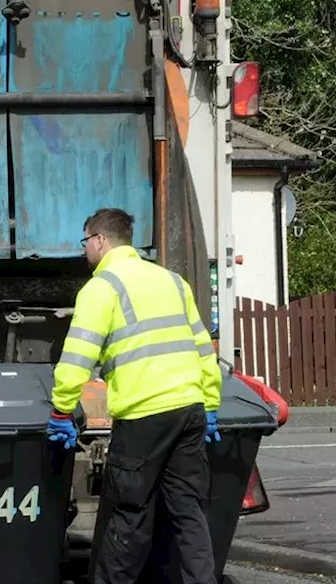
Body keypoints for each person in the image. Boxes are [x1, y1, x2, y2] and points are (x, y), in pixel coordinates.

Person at [46, 207, 223, 584]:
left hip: (144, 417)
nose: (84, 252)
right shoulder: (173, 281)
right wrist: (209, 404)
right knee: (189, 512)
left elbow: (78, 356)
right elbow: (203, 348)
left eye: (85, 243)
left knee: (128, 513)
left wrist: (62, 410)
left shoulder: (101, 287)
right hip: (189, 411)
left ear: (100, 241)